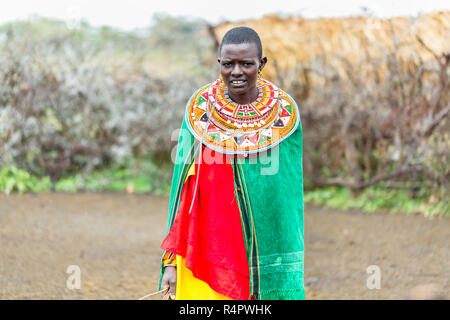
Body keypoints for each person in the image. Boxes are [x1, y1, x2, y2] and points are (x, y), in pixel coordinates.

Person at [159, 26, 304, 300]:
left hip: (264, 252)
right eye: (228, 64)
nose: (236, 72)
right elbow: (182, 192)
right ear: (219, 64)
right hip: (204, 251)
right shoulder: (198, 115)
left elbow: (285, 199)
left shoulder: (284, 118)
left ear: (261, 64)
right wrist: (170, 262)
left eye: (246, 63)